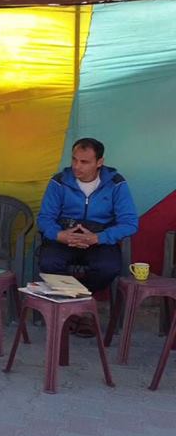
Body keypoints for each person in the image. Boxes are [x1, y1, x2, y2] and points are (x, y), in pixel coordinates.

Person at [37, 138, 138, 334]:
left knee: (108, 268)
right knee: (48, 263)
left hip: (99, 239)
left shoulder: (116, 183)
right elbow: (44, 218)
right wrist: (59, 235)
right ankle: (80, 311)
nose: (77, 166)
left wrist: (98, 238)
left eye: (84, 162)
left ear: (99, 162)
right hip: (65, 237)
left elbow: (129, 223)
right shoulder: (59, 181)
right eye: (74, 160)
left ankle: (76, 308)